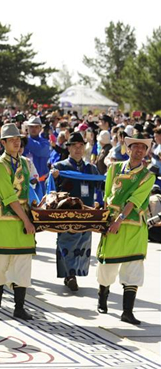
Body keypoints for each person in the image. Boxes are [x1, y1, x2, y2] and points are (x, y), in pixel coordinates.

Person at [96, 134, 155, 325]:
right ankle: (103, 294)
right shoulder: (113, 169)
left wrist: (120, 219)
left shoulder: (148, 175)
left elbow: (135, 200)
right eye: (135, 147)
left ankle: (127, 311)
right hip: (112, 224)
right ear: (128, 149)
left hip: (134, 226)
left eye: (142, 148)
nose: (139, 150)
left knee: (133, 268)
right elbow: (106, 195)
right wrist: (105, 220)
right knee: (107, 266)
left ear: (146, 152)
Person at [0, 123, 36, 320]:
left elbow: (28, 191)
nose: (16, 142)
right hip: (4, 220)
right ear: (3, 143)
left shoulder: (24, 163)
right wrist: (27, 220)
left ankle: (19, 306)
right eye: (11, 139)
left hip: (22, 220)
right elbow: (9, 198)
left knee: (23, 263)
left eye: (18, 139)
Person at [51, 132, 101, 291]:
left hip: (86, 210)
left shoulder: (91, 169)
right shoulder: (60, 167)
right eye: (74, 146)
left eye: (81, 146)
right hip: (66, 211)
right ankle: (69, 275)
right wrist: (54, 177)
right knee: (66, 241)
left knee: (83, 242)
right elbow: (51, 187)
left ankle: (76, 272)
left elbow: (100, 187)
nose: (78, 149)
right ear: (69, 148)